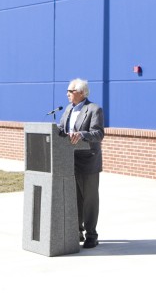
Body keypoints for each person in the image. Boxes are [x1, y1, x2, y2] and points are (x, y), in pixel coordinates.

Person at [58, 78, 104, 249]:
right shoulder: (68, 109)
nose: (67, 94)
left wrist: (82, 135)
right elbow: (62, 129)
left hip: (88, 160)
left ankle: (92, 235)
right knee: (74, 198)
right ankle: (77, 231)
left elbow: (98, 133)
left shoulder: (94, 109)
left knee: (89, 200)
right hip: (70, 160)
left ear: (81, 92)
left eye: (70, 91)